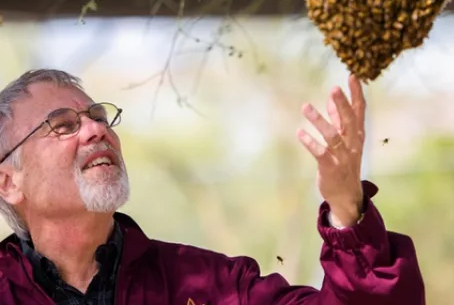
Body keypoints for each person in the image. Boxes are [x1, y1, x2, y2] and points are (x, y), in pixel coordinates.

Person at [0, 69, 425, 304]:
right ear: (8, 181)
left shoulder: (212, 286)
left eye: (97, 116)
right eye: (62, 125)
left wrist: (347, 208)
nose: (95, 129)